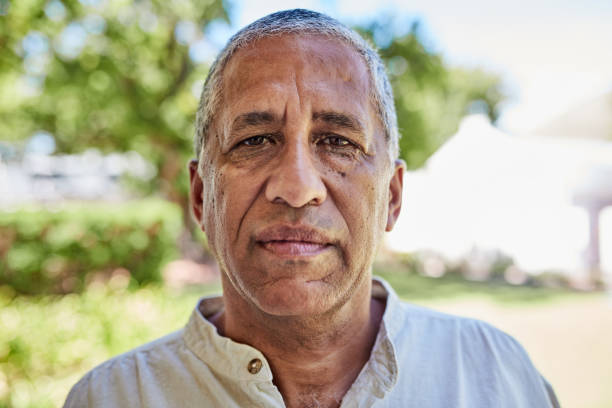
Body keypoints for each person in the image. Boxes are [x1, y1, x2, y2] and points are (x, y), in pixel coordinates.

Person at [65, 9, 559, 408]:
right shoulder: (112, 398)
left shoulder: (499, 377)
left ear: (392, 197)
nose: (297, 188)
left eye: (338, 142)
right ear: (201, 197)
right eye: (255, 140)